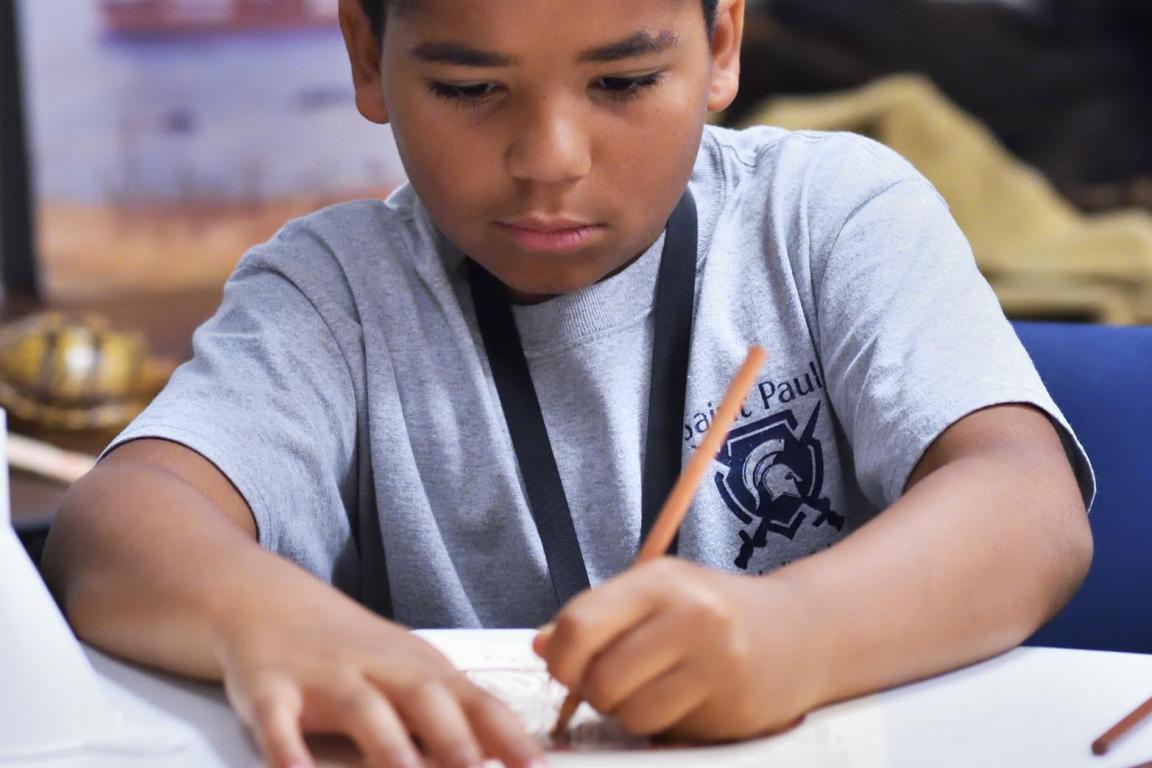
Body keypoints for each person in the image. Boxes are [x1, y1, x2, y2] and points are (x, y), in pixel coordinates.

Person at [41, 1, 1095, 767]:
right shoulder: (334, 295)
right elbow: (119, 525)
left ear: (721, 42)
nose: (549, 159)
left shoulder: (827, 218)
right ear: (368, 57)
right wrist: (274, 625)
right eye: (468, 88)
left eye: (624, 83)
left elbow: (1026, 507)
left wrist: (803, 634)